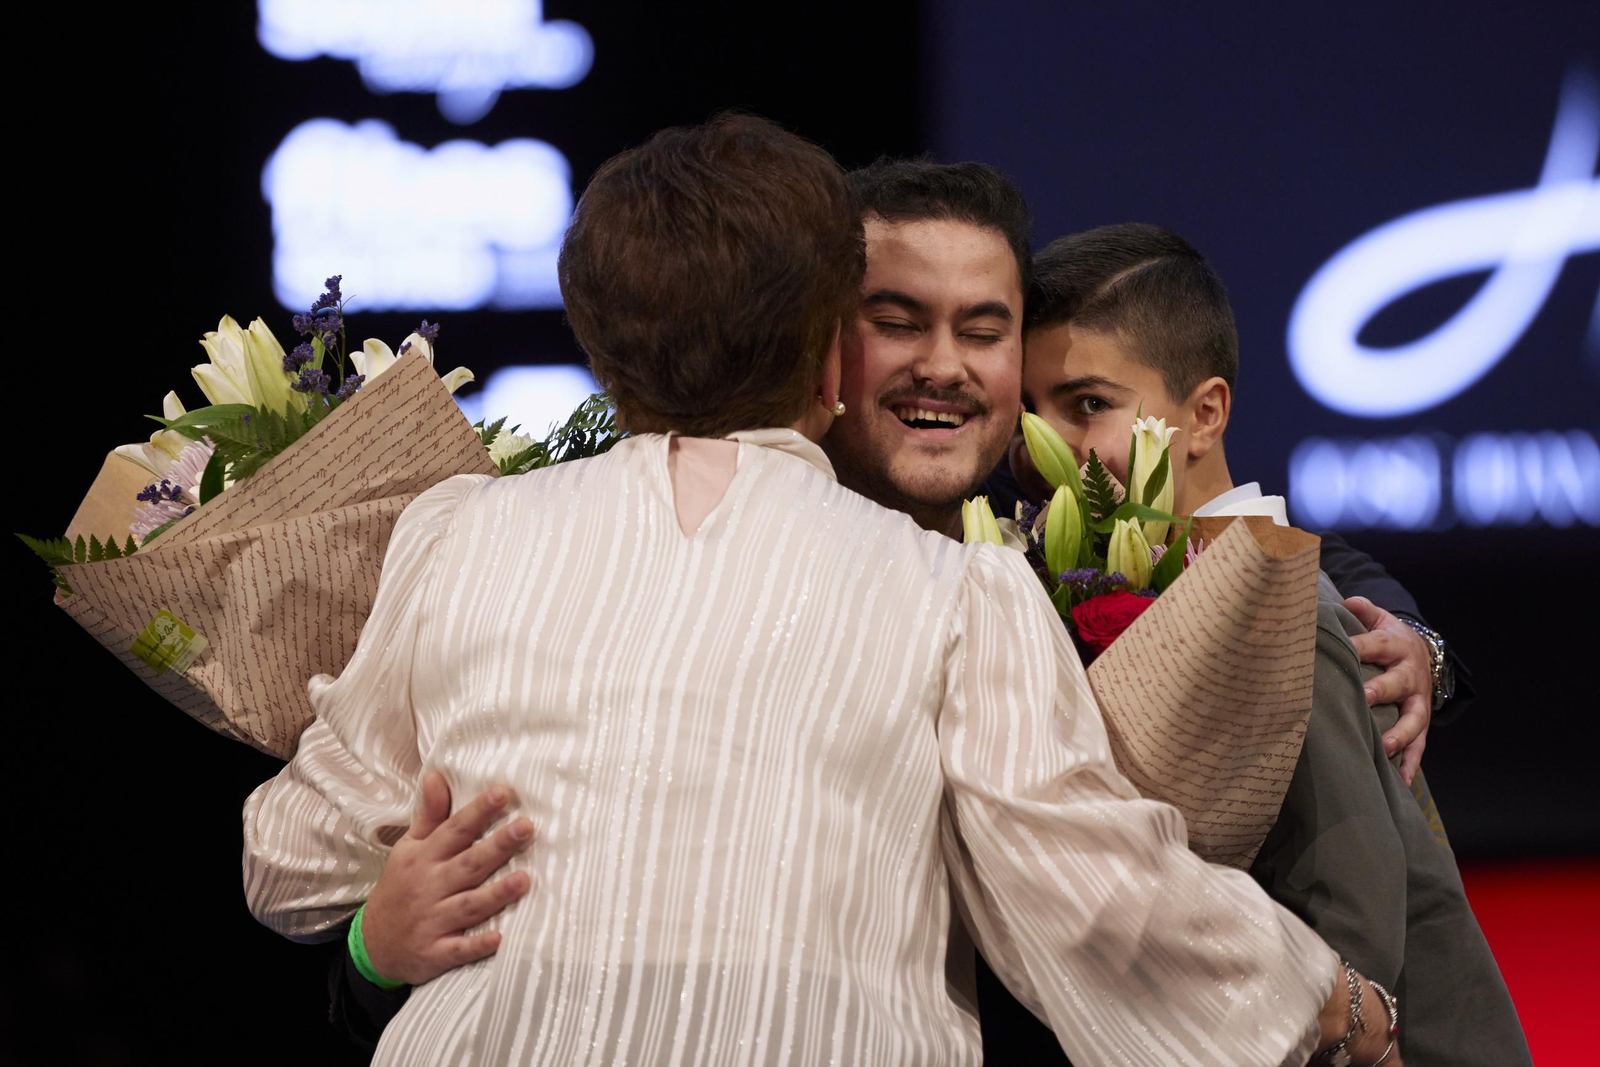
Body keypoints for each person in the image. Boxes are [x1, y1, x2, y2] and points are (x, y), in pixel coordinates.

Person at [243, 117, 1401, 1066]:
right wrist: (1329, 1005)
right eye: (893, 319)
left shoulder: (459, 534)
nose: (938, 362)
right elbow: (1092, 895)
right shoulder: (957, 593)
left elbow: (293, 847)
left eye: (982, 329)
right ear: (828, 352)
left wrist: (365, 922)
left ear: (598, 346)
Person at [1002, 222, 1528, 1067]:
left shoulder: (1288, 614)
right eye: (1030, 411)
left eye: (1087, 404)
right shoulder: (1091, 578)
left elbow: (1359, 952)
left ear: (1205, 413)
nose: (1040, 448)